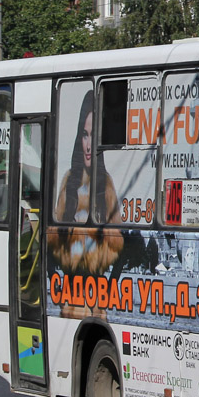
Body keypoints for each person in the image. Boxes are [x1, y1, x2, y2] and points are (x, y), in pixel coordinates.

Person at [49, 90, 123, 273]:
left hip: (95, 282)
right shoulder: (68, 181)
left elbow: (116, 241)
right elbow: (55, 237)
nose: (89, 145)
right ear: (78, 138)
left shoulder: (106, 183)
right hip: (70, 281)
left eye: (93, 135)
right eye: (84, 135)